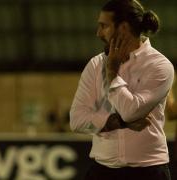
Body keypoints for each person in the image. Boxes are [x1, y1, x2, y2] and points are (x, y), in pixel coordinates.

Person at [70, 0, 174, 179]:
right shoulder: (95, 65)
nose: (98, 33)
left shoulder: (159, 66)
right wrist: (117, 122)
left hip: (149, 171)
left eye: (104, 26)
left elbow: (130, 111)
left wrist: (112, 72)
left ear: (124, 28)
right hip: (102, 170)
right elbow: (76, 120)